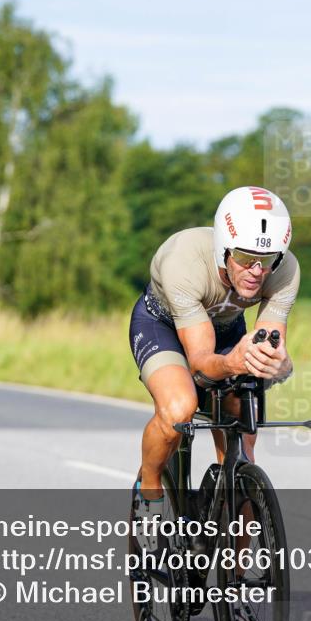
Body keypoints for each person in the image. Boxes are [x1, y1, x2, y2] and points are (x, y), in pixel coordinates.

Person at [128, 185, 299, 506]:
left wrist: (281, 366)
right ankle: (148, 491)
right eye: (246, 257)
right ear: (223, 248)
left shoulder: (285, 269)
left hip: (226, 329)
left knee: (244, 439)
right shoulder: (184, 260)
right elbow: (200, 362)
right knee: (180, 408)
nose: (257, 271)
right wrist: (233, 363)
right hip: (161, 325)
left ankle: (234, 543)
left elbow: (272, 343)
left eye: (267, 259)